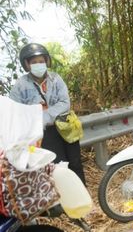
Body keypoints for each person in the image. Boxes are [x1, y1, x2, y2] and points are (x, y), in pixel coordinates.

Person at [9, 43, 86, 184]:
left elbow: (64, 103)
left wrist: (42, 116)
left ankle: (83, 197)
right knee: (56, 167)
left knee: (75, 163)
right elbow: (16, 112)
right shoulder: (20, 86)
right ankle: (63, 202)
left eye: (41, 61)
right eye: (34, 62)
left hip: (66, 127)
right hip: (44, 134)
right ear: (26, 64)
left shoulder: (56, 79)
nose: (38, 65)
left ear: (46, 61)